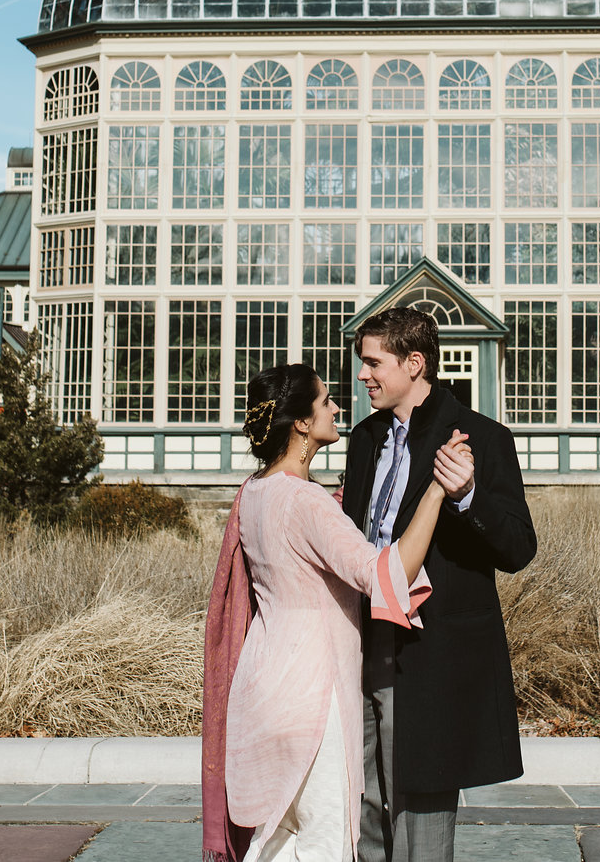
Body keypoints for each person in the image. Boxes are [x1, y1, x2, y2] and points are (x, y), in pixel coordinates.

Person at [201, 362, 472, 862]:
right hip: (314, 693)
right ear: (302, 423)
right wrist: (436, 491)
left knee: (277, 838)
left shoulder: (253, 493)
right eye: (325, 401)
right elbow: (383, 576)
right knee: (325, 837)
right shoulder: (308, 503)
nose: (336, 407)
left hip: (262, 683)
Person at [344, 307, 538, 862]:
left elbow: (519, 549)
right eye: (363, 363)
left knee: (421, 819)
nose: (363, 375)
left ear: (414, 362)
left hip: (433, 656)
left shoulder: (484, 437)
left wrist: (469, 497)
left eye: (373, 363)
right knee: (362, 810)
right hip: (359, 646)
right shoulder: (363, 440)